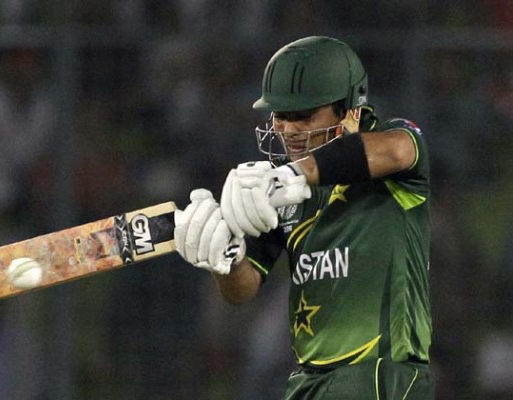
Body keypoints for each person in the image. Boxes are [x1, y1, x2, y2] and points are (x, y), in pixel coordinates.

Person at [174, 36, 435, 399]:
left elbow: (398, 151)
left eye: (304, 116)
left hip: (382, 375)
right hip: (308, 381)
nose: (289, 130)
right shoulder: (276, 190)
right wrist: (225, 259)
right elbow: (243, 290)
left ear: (351, 111)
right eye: (280, 116)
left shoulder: (392, 146)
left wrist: (294, 174)